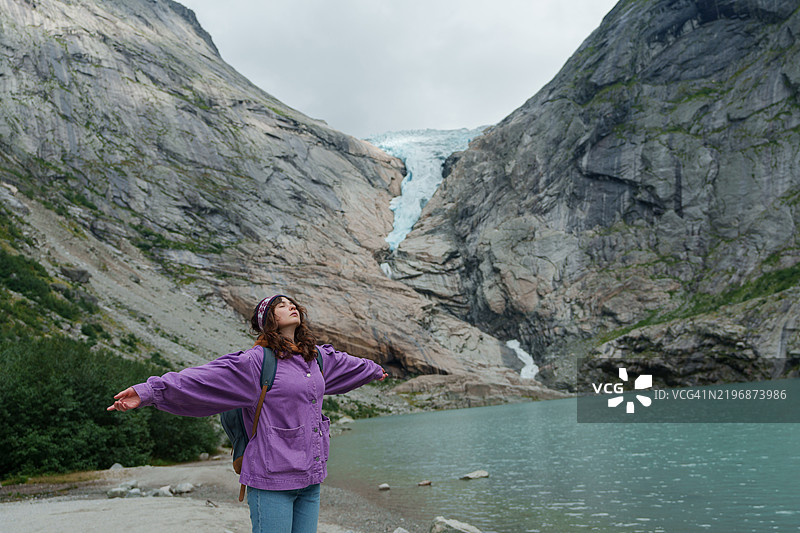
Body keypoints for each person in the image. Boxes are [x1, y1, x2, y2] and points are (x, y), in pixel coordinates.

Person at [108, 294, 388, 533]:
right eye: (281, 305)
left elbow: (348, 364)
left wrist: (375, 370)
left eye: (292, 303)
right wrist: (148, 392)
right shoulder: (256, 362)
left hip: (311, 479)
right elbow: (202, 380)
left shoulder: (315, 358)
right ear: (268, 319)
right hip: (271, 480)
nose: (291, 306)